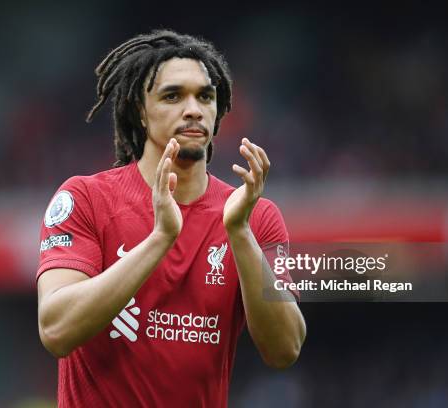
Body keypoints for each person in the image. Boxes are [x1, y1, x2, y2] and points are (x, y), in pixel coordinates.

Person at [37, 29, 306, 407]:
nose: (194, 108)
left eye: (205, 96)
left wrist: (240, 233)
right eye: (172, 95)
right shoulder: (86, 199)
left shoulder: (254, 216)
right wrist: (159, 238)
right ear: (138, 111)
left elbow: (285, 349)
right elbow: (55, 329)